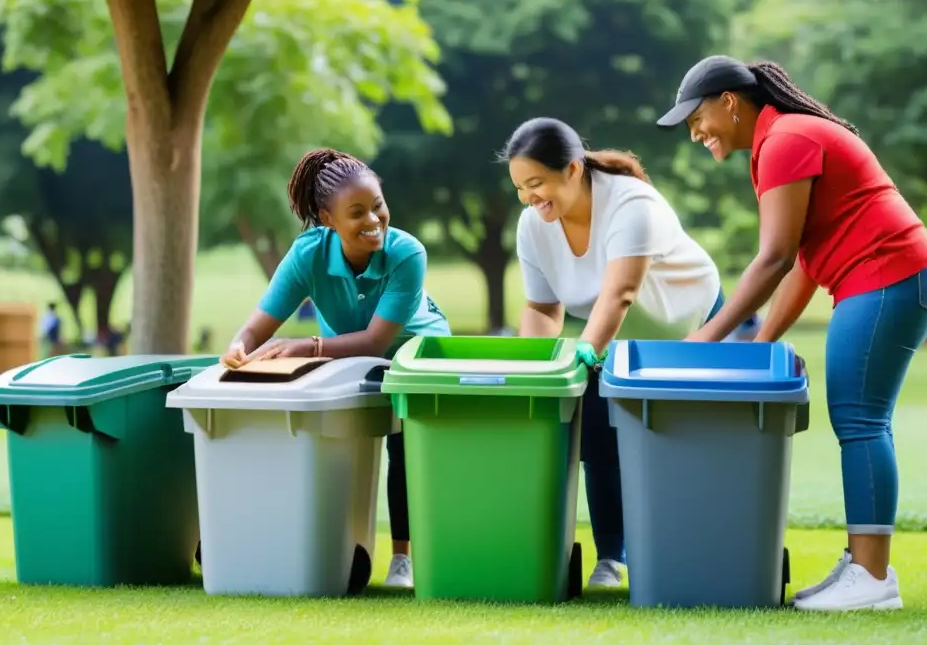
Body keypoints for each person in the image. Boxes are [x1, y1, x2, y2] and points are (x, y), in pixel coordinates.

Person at [656, 55, 927, 611]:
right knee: (859, 420)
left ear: (729, 102)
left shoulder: (786, 141)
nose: (694, 133)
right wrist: (759, 342)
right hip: (881, 279)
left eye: (695, 118)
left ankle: (872, 577)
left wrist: (712, 335)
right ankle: (864, 564)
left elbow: (773, 258)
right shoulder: (777, 144)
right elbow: (805, 264)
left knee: (861, 421)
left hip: (888, 276)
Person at [502, 117, 723, 588]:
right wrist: (531, 370)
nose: (529, 197)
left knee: (684, 440)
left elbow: (619, 292)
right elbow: (542, 308)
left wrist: (586, 353)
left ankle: (691, 546)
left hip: (693, 320)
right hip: (615, 337)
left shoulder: (631, 204)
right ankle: (612, 557)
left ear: (574, 169)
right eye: (520, 188)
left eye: (537, 183)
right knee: (599, 438)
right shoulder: (533, 226)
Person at [221, 148, 451, 589]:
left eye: (378, 206)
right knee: (334, 442)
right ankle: (328, 543)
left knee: (404, 444)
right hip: (342, 357)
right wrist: (238, 346)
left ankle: (403, 557)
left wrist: (305, 347)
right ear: (327, 218)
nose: (374, 220)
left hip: (416, 354)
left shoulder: (406, 253)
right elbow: (257, 327)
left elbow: (376, 342)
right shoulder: (308, 255)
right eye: (357, 212)